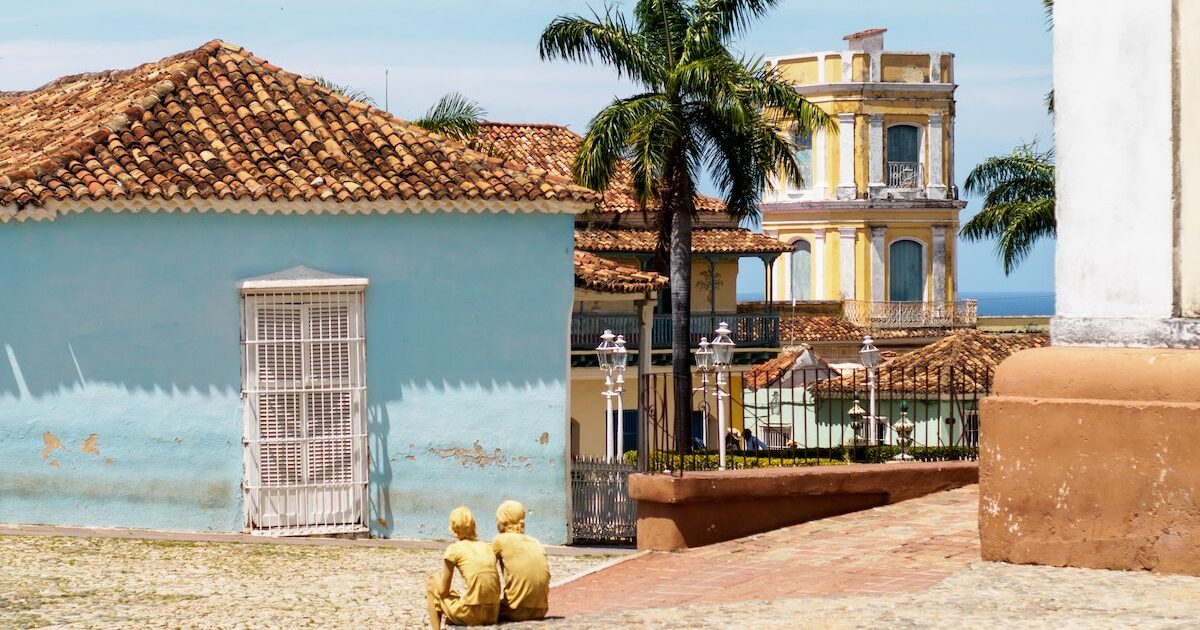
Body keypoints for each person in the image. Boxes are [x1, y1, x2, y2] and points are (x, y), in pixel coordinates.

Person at [427, 506, 500, 630]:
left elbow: (443, 591)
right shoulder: (487, 547)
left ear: (452, 528)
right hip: (493, 613)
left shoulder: (454, 550)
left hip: (471, 613)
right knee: (455, 596)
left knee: (433, 581)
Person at [492, 500, 550, 622]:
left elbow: (485, 567)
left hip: (515, 610)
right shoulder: (536, 542)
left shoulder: (500, 540)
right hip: (541, 610)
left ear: (502, 521)